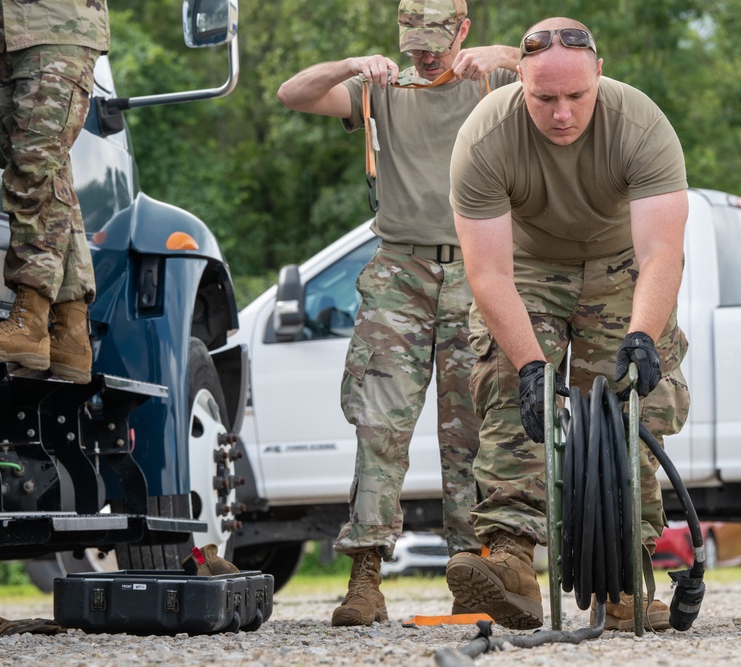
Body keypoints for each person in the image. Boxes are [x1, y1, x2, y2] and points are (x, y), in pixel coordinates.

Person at [277, 0, 519, 627]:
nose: (426, 54)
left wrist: (509, 55)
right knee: (379, 424)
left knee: (471, 430)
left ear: (463, 29)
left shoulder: (493, 78)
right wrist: (351, 64)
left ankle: (476, 575)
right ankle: (365, 577)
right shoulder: (380, 87)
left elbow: (577, 79)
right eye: (415, 41)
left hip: (477, 268)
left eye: (438, 40)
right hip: (400, 271)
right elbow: (291, 94)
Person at [447, 17, 690, 632]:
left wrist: (641, 336)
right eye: (544, 98)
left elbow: (661, 252)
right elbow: (489, 273)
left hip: (617, 263)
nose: (561, 113)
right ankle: (509, 562)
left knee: (636, 402)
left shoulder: (640, 123)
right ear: (518, 79)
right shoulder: (485, 137)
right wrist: (532, 365)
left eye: (576, 97)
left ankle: (625, 574)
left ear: (599, 77)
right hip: (527, 267)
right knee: (508, 384)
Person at [0, 1, 110, 384]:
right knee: (45, 173)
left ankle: (31, 324)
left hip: (53, 26)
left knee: (32, 171)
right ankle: (71, 333)